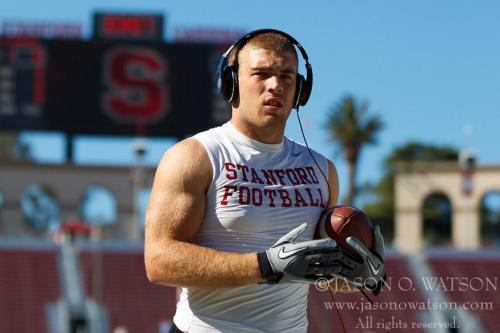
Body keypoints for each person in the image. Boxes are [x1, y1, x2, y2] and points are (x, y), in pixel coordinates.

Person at [145, 29, 385, 333]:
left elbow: (317, 272)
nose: (275, 85)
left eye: (287, 76)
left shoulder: (322, 169)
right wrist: (264, 265)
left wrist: (362, 274)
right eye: (261, 74)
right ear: (230, 83)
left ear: (301, 89)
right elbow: (159, 261)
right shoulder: (195, 156)